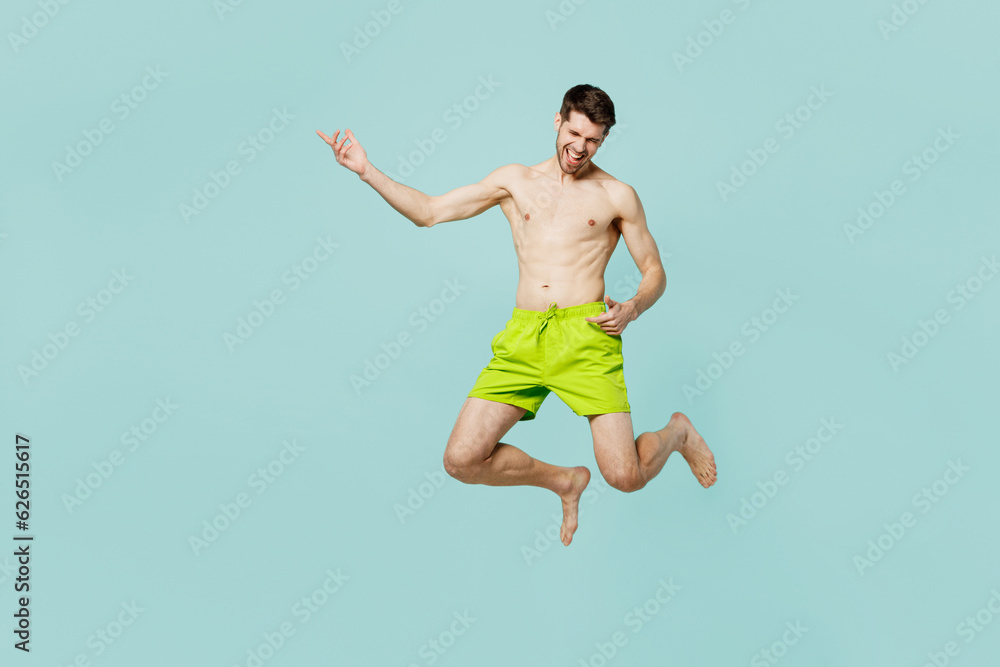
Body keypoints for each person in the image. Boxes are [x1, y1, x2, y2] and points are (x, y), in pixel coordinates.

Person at [317, 84, 717, 546]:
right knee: (461, 460)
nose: (579, 147)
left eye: (593, 140)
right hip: (525, 337)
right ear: (557, 121)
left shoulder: (617, 195)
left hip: (586, 336)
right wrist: (367, 171)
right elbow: (428, 212)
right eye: (574, 132)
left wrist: (632, 307)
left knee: (625, 477)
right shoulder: (515, 181)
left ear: (604, 139)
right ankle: (563, 481)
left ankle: (678, 433)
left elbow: (655, 271)